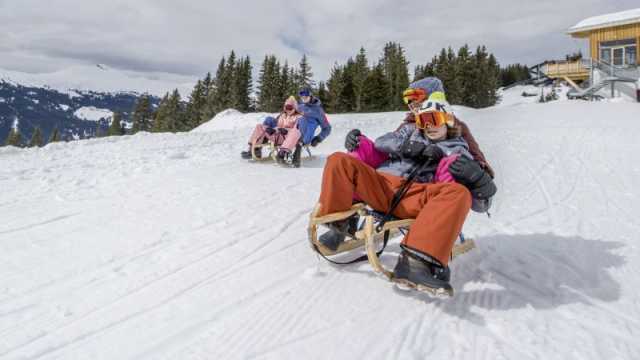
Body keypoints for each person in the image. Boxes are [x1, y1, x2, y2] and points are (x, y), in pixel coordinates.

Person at [315, 97, 497, 294]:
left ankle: (415, 263)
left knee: (458, 193)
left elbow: (478, 205)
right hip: (382, 185)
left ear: (448, 121)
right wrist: (400, 146)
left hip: (416, 196)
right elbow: (381, 145)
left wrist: (480, 183)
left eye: (433, 119)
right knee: (339, 160)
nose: (428, 126)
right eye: (422, 121)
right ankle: (340, 224)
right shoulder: (410, 134)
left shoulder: (458, 149)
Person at [344, 77, 494, 178]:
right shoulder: (409, 124)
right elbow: (390, 145)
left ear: (434, 97)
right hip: (396, 173)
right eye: (408, 100)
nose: (411, 103)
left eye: (416, 97)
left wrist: (481, 169)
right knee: (358, 150)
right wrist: (360, 143)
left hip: (425, 180)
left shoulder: (452, 125)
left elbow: (472, 153)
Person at [240, 96, 303, 164]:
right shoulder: (282, 115)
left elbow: (298, 131)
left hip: (287, 138)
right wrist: (272, 129)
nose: (288, 110)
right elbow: (277, 125)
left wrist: (286, 130)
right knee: (259, 127)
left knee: (294, 132)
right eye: (286, 108)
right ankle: (254, 149)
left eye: (290, 108)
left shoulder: (299, 117)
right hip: (277, 135)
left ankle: (282, 154)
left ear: (295, 108)